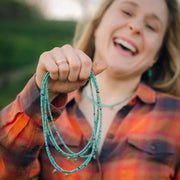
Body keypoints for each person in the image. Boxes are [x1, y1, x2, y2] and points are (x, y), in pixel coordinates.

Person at [1, 0, 180, 179]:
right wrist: (40, 94)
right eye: (127, 12)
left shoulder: (174, 116)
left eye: (151, 26)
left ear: (156, 55)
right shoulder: (47, 109)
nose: (135, 27)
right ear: (97, 25)